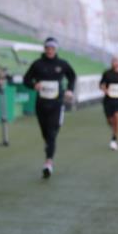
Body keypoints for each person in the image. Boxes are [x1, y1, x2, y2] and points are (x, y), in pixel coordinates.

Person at [23, 37, 77, 179]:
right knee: (46, 134)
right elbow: (26, 79)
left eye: (52, 48)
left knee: (52, 133)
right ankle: (49, 150)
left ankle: (48, 163)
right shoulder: (37, 64)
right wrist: (34, 85)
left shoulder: (62, 64)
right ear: (44, 48)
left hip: (57, 103)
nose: (50, 50)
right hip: (41, 104)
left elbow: (72, 76)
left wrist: (70, 90)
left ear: (56, 49)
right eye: (48, 47)